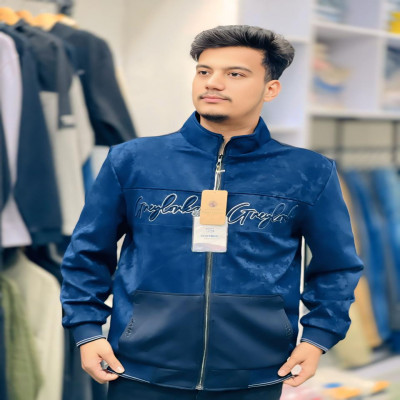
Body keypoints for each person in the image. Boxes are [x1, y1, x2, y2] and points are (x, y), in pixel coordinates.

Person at [60, 25, 364, 400]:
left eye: (235, 74)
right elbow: (88, 252)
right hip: (139, 371)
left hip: (255, 375)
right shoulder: (133, 160)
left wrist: (317, 337)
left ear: (271, 89)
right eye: (204, 71)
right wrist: (87, 330)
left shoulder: (309, 172)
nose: (213, 83)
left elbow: (337, 266)